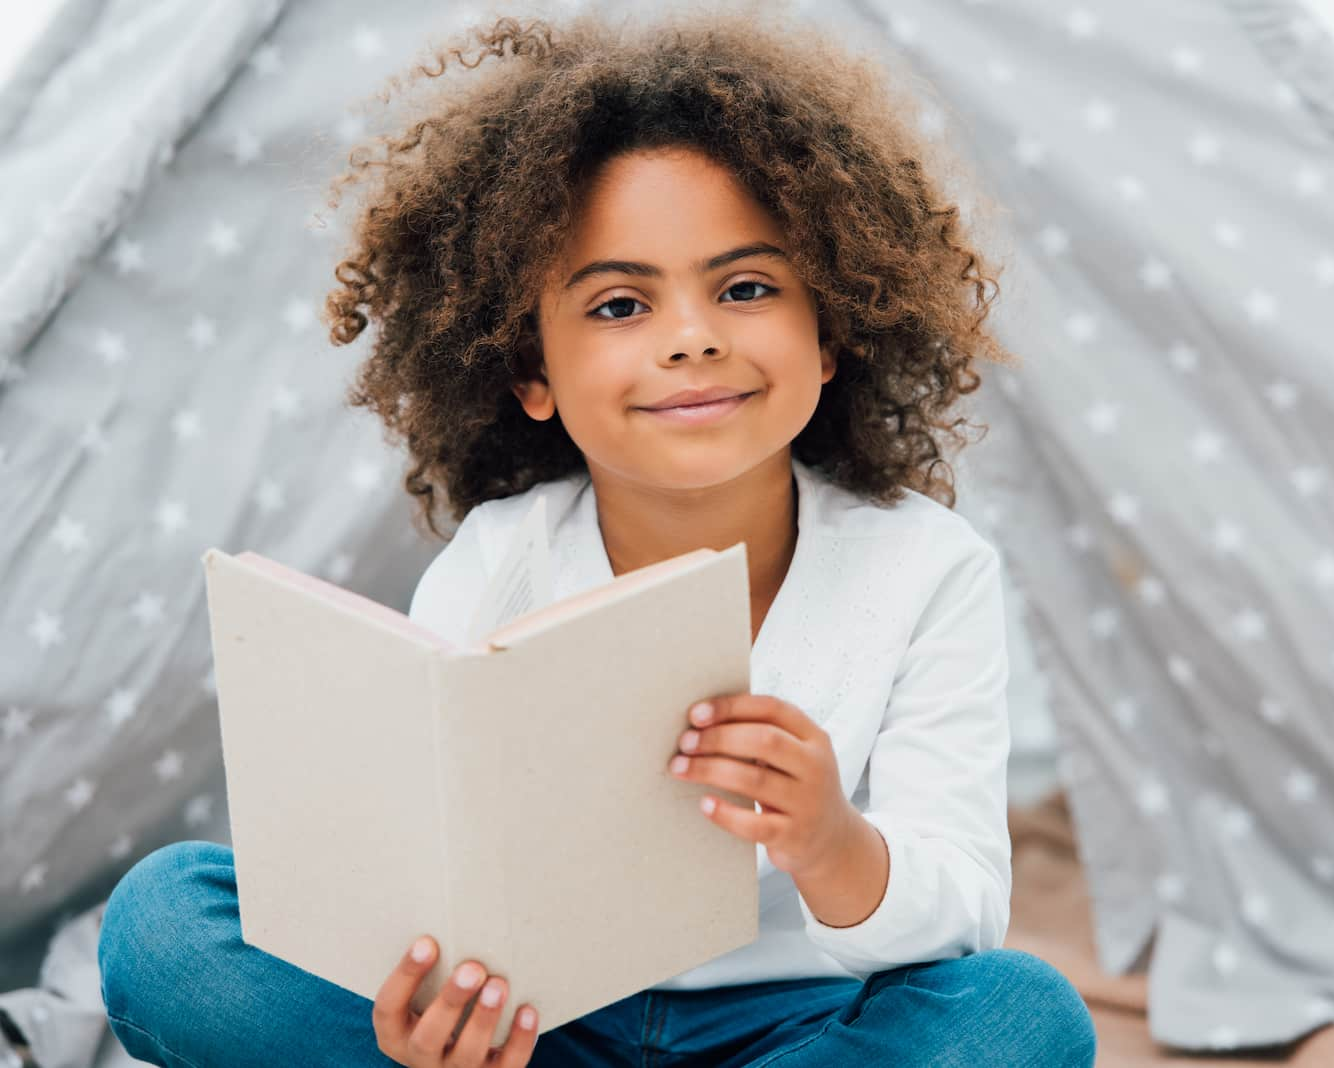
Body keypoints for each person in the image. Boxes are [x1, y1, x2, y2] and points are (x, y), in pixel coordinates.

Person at [97, 6, 1095, 1066]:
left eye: (746, 288)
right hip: (535, 1023)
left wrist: (831, 842)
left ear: (833, 330)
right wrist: (424, 1008)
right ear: (531, 372)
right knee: (166, 923)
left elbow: (963, 910)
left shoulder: (925, 568)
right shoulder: (501, 557)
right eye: (620, 306)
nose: (693, 337)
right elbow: (416, 870)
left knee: (1020, 1015)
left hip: (795, 1024)